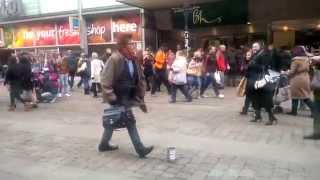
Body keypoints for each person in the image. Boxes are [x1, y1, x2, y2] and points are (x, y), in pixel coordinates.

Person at [98, 34, 154, 158]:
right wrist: (111, 97)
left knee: (113, 121)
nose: (133, 46)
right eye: (131, 44)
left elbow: (139, 78)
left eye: (133, 43)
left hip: (128, 97)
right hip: (117, 97)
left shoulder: (133, 59)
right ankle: (140, 149)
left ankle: (103, 145)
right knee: (129, 121)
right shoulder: (115, 58)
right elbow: (105, 79)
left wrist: (140, 95)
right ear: (123, 45)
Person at [246, 42, 278, 125]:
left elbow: (265, 67)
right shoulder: (255, 55)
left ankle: (272, 118)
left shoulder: (263, 55)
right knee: (255, 99)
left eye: (256, 46)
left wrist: (252, 65)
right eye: (253, 47)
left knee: (266, 99)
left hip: (262, 80)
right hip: (254, 80)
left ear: (260, 47)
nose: (254, 48)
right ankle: (258, 116)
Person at [286, 46, 315, 116]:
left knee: (299, 96)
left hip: (297, 79)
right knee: (303, 95)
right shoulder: (307, 59)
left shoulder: (295, 60)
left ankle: (315, 111)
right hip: (306, 78)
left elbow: (292, 71)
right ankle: (294, 111)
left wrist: (286, 72)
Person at [240, 49, 253, 115]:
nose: (247, 56)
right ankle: (245, 109)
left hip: (252, 81)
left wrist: (244, 67)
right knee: (248, 95)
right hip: (247, 80)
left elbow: (248, 69)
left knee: (251, 95)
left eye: (249, 55)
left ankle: (247, 109)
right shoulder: (244, 61)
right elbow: (242, 71)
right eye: (247, 55)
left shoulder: (252, 62)